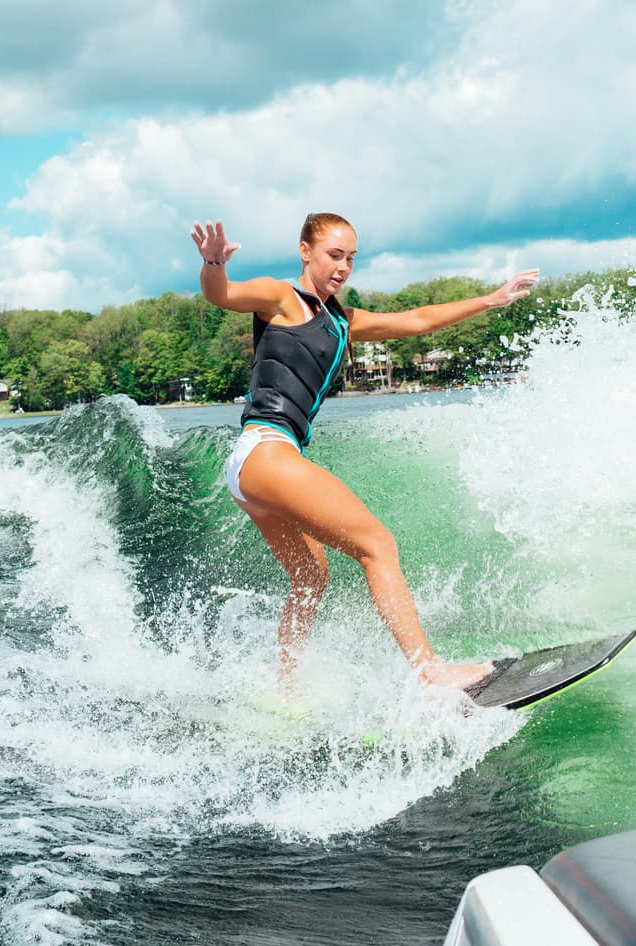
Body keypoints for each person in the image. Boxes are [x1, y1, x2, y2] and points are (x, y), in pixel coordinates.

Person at [192, 213, 538, 692]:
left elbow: (416, 320)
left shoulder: (342, 321)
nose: (343, 267)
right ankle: (430, 671)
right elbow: (221, 294)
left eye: (351, 258)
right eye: (334, 255)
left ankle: (286, 688)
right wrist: (213, 261)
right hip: (267, 449)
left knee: (311, 575)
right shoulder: (281, 298)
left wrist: (491, 299)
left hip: (250, 465)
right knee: (378, 546)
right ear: (305, 251)